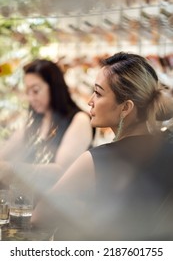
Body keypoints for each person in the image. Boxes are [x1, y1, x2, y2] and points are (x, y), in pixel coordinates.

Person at [31, 52, 173, 241]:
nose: (90, 101)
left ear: (125, 108)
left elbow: (39, 217)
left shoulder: (98, 160)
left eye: (98, 93)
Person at [0, 59, 94, 194]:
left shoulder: (79, 120)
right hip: (28, 203)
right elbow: (5, 154)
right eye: (28, 92)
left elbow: (62, 171)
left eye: (36, 91)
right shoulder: (34, 122)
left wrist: (12, 169)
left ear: (54, 87)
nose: (31, 98)